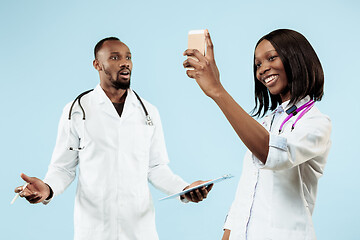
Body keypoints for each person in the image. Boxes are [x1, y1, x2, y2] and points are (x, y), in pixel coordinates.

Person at [15, 37, 212, 240]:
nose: (125, 62)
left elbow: (156, 168)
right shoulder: (77, 110)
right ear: (97, 64)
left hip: (140, 230)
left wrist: (184, 188)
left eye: (128, 57)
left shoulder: (148, 112)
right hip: (94, 230)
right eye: (115, 57)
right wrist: (47, 189)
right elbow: (63, 168)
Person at [183, 29, 331, 240]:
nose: (263, 69)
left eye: (271, 58)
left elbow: (273, 154)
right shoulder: (266, 123)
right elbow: (244, 198)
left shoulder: (316, 123)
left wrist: (217, 91)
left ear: (297, 58)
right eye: (258, 64)